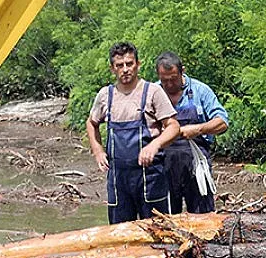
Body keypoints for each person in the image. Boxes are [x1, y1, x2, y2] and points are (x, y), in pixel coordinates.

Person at [87, 42, 179, 224]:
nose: (125, 69)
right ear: (112, 68)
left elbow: (173, 126)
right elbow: (91, 123)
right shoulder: (106, 95)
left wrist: (155, 145)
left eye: (129, 64)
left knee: (158, 230)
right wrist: (97, 150)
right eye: (119, 65)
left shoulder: (152, 91)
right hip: (118, 180)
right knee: (119, 233)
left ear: (138, 64)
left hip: (150, 177)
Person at [155, 51, 229, 214]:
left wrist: (197, 129)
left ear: (182, 71)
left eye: (173, 79)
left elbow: (222, 122)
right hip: (163, 164)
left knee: (203, 216)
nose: (169, 84)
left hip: (196, 163)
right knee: (164, 218)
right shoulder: (153, 93)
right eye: (164, 80)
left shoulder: (200, 90)